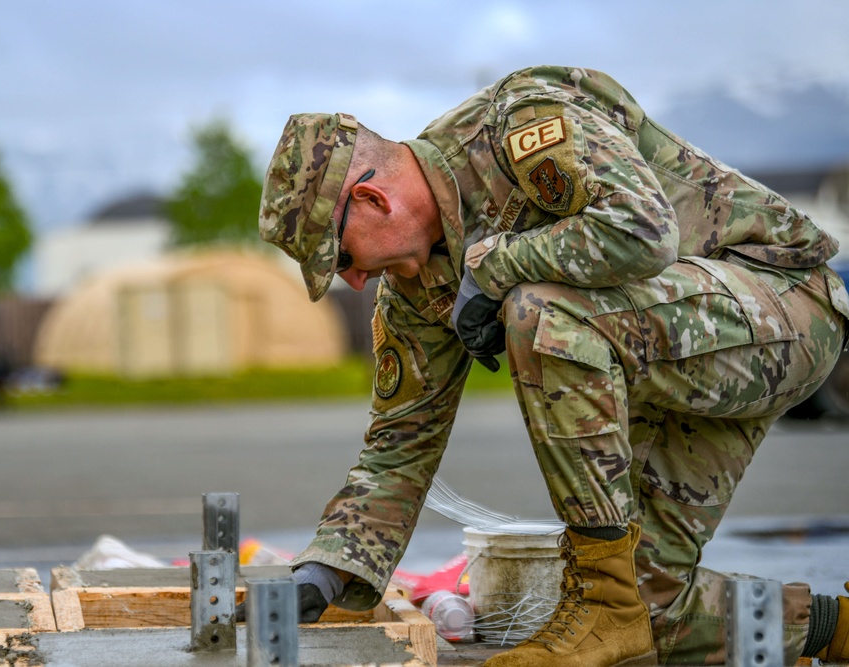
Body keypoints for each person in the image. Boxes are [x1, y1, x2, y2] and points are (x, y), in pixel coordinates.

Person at [257, 65, 849, 666]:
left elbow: (643, 230)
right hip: (678, 351)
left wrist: (494, 269)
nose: (354, 281)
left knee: (542, 314)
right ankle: (833, 627)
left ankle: (601, 599)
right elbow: (398, 446)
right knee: (652, 611)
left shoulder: (521, 121)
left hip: (784, 307)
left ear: (372, 198)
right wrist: (324, 571)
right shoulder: (414, 289)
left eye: (344, 257)